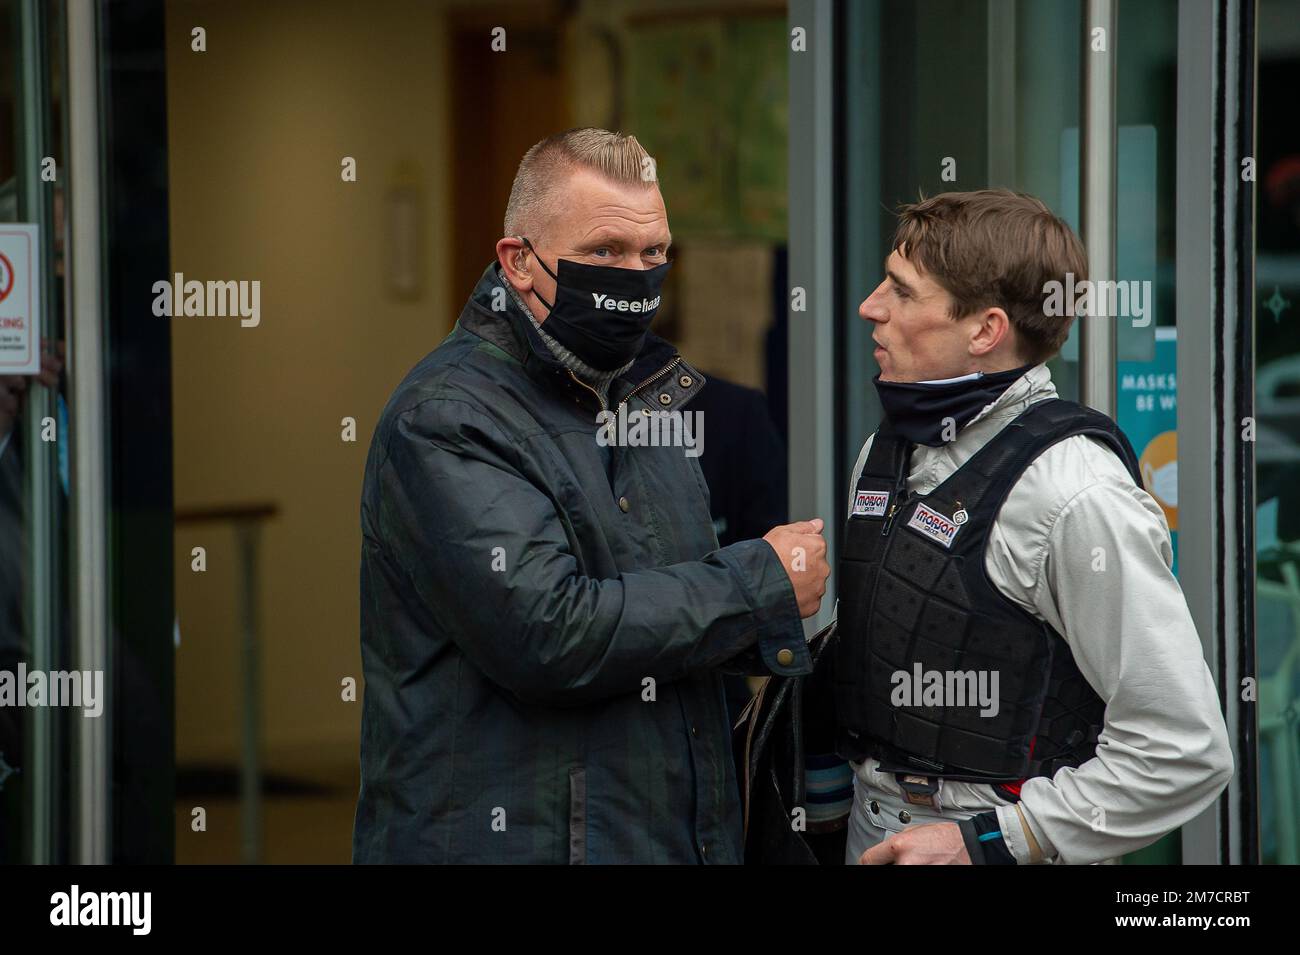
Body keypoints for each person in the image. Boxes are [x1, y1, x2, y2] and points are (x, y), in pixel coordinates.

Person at [352, 128, 829, 864]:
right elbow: (549, 633)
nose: (635, 276)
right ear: (517, 261)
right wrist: (760, 582)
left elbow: (667, 622)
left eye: (654, 253)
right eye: (606, 251)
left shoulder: (647, 398)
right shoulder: (446, 418)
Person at [836, 189, 1233, 865]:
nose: (870, 306)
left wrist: (994, 841)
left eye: (902, 292)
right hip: (869, 831)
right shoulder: (889, 449)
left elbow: (1184, 746)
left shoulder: (1075, 491)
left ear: (985, 330)